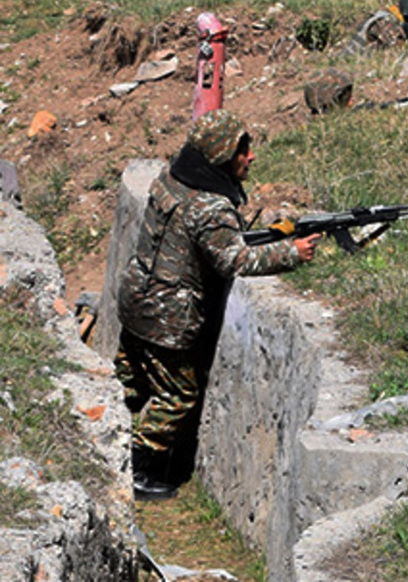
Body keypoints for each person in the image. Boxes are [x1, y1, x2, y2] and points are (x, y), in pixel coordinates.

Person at [114, 109, 320, 500]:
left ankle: (99, 442)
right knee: (176, 396)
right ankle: (140, 471)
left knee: (130, 381)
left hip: (137, 298)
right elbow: (234, 260)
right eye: (243, 150)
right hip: (168, 317)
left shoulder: (171, 179)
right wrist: (292, 252)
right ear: (223, 156)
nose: (251, 157)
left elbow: (209, 239)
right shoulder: (211, 207)